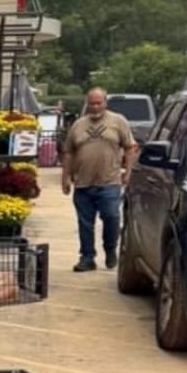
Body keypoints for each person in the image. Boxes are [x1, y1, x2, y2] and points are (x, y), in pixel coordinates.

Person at [60, 88, 136, 272]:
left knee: (111, 217)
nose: (95, 107)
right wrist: (66, 177)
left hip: (109, 182)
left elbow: (130, 147)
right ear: (87, 103)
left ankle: (110, 250)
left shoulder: (118, 122)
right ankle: (87, 257)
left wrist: (128, 171)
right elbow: (69, 152)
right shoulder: (78, 125)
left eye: (98, 103)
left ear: (105, 102)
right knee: (85, 223)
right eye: (91, 103)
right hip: (83, 183)